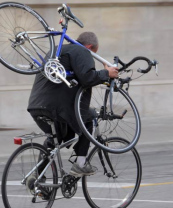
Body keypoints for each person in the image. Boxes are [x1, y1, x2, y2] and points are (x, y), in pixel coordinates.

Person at [28, 31, 119, 176]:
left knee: (54, 140)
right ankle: (80, 164)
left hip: (36, 105)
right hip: (58, 107)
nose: (92, 56)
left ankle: (36, 178)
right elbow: (87, 78)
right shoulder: (82, 51)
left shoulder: (56, 50)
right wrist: (106, 74)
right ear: (89, 46)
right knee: (90, 116)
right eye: (94, 53)